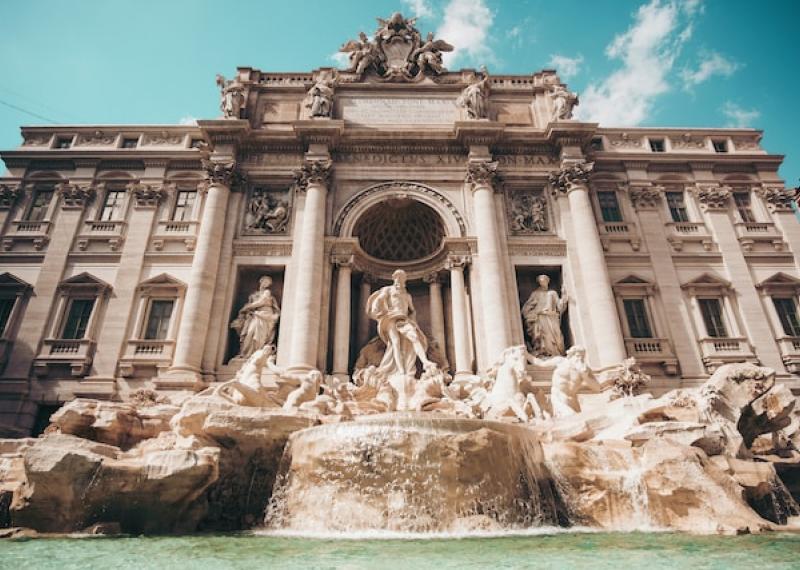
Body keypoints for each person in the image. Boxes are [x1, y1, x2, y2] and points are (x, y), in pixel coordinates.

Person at [366, 269, 434, 379]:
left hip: (404, 319)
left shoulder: (407, 296)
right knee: (395, 343)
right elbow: (377, 301)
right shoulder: (388, 290)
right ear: (394, 278)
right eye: (397, 277)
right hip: (390, 318)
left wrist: (413, 321)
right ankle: (401, 372)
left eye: (401, 278)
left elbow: (412, 310)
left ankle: (425, 362)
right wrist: (381, 310)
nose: (399, 280)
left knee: (414, 337)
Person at [529, 346, 613, 417]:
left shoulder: (585, 370)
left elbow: (597, 388)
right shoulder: (560, 361)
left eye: (582, 356)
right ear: (571, 355)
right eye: (577, 355)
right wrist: (525, 354)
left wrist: (585, 376)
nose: (579, 358)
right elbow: (539, 363)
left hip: (573, 401)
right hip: (558, 397)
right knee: (569, 416)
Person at [230, 276, 281, 358]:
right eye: (265, 282)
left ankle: (258, 354)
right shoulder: (253, 295)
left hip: (265, 314)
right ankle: (246, 353)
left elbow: (262, 301)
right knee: (250, 332)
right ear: (261, 282)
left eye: (268, 283)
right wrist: (247, 310)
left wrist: (248, 307)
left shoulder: (267, 292)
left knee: (261, 336)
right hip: (255, 314)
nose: (266, 284)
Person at [522, 275, 568, 356]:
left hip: (552, 316)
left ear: (548, 281)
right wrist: (534, 313)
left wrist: (564, 296)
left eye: (544, 281)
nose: (543, 283)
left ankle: (556, 353)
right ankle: (545, 353)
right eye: (541, 281)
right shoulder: (535, 294)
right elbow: (527, 307)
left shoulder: (553, 293)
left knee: (557, 337)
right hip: (540, 317)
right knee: (544, 336)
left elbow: (559, 306)